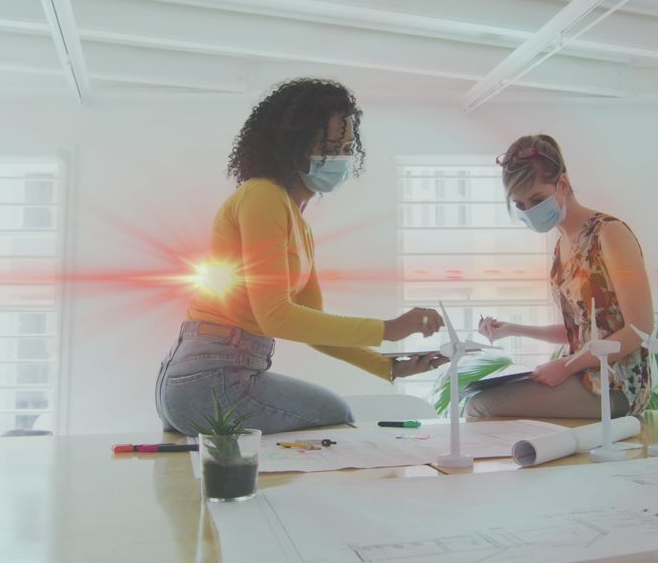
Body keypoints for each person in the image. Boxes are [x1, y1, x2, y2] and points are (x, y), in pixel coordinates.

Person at [155, 78, 448, 435]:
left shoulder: (298, 225)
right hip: (212, 378)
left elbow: (314, 328)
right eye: (327, 145)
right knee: (334, 412)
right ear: (290, 143)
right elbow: (276, 316)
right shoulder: (263, 196)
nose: (339, 157)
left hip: (208, 377)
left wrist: (388, 368)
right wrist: (387, 329)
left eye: (344, 146)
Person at [467, 134, 655, 419]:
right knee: (477, 400)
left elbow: (640, 328)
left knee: (481, 407)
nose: (529, 212)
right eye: (520, 205)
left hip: (616, 385)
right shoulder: (561, 247)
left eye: (536, 199)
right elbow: (578, 331)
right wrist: (514, 329)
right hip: (583, 375)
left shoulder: (610, 234)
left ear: (563, 185)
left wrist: (566, 366)